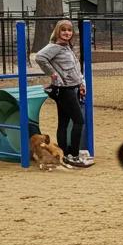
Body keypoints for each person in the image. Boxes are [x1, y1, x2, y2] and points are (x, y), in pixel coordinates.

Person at [35, 20, 91, 168]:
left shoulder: (66, 47)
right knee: (79, 121)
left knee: (64, 122)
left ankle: (64, 153)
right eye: (63, 30)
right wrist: (53, 74)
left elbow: (74, 69)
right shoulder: (55, 47)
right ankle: (73, 154)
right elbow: (40, 57)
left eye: (69, 30)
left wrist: (81, 84)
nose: (67, 33)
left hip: (71, 87)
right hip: (65, 89)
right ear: (58, 32)